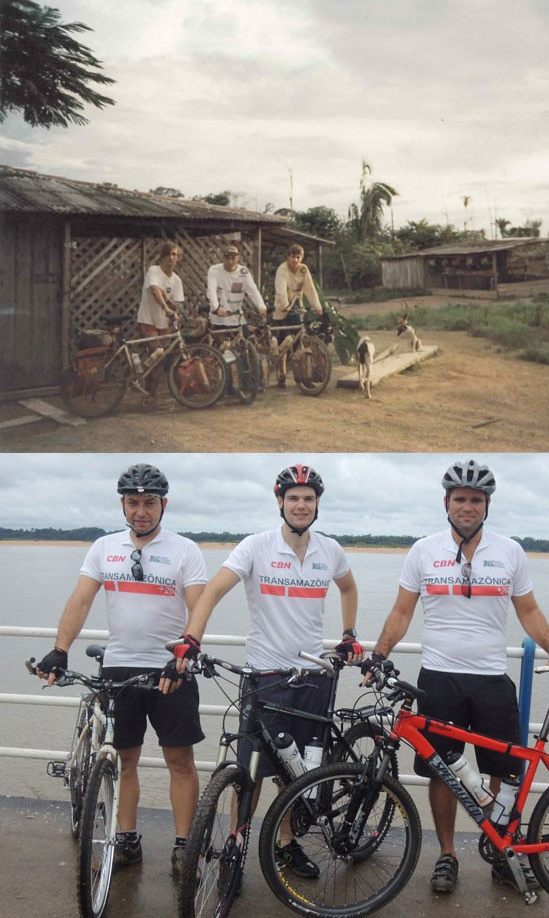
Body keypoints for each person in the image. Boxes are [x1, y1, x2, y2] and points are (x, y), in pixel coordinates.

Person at [362, 458, 549, 896]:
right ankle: (447, 855)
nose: (468, 506)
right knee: (442, 772)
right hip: (439, 679)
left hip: (489, 678)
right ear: (446, 503)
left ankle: (502, 849)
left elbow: (528, 610)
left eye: (476, 500)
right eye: (461, 498)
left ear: (487, 505)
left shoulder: (510, 551)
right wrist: (378, 654)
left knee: (502, 770)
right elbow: (401, 611)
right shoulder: (422, 551)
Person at [171, 463, 362, 879]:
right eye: (292, 498)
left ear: (316, 505)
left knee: (295, 774)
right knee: (251, 772)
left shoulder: (330, 551)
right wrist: (192, 638)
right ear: (279, 502)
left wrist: (348, 634)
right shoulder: (255, 547)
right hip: (264, 679)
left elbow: (348, 587)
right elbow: (213, 591)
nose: (300, 505)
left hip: (313, 678)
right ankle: (235, 849)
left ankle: (287, 845)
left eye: (308, 499)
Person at [35, 463, 208, 880]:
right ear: (123, 504)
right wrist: (60, 650)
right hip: (119, 669)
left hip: (171, 669)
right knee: (124, 760)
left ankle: (184, 847)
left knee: (179, 760)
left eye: (150, 503)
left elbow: (199, 607)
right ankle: (126, 839)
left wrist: (185, 651)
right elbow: (80, 601)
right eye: (134, 503)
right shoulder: (103, 547)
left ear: (163, 504)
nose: (141, 511)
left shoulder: (185, 549)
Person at [136, 241, 185, 408]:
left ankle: (149, 392)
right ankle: (149, 395)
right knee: (157, 354)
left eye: (176, 255)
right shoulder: (154, 271)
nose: (173, 258)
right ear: (163, 256)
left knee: (160, 359)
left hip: (164, 323)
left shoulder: (176, 280)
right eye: (170, 254)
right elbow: (154, 290)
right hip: (148, 319)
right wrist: (164, 305)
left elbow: (176, 304)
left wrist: (169, 302)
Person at [272, 244, 324, 388]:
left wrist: (317, 306)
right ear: (287, 257)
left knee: (298, 342)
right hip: (282, 309)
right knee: (285, 341)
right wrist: (284, 305)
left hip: (296, 307)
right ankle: (281, 375)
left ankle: (301, 377)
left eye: (298, 257)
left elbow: (310, 288)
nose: (295, 260)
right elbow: (280, 288)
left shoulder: (303, 269)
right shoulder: (282, 269)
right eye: (292, 256)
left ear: (301, 258)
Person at [206, 244, 267, 331]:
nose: (230, 261)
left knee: (247, 340)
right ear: (223, 258)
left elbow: (253, 291)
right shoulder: (214, 270)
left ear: (238, 258)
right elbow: (211, 290)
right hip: (219, 318)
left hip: (237, 318)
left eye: (233, 258)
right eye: (227, 258)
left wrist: (261, 306)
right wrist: (216, 308)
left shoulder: (243, 272)